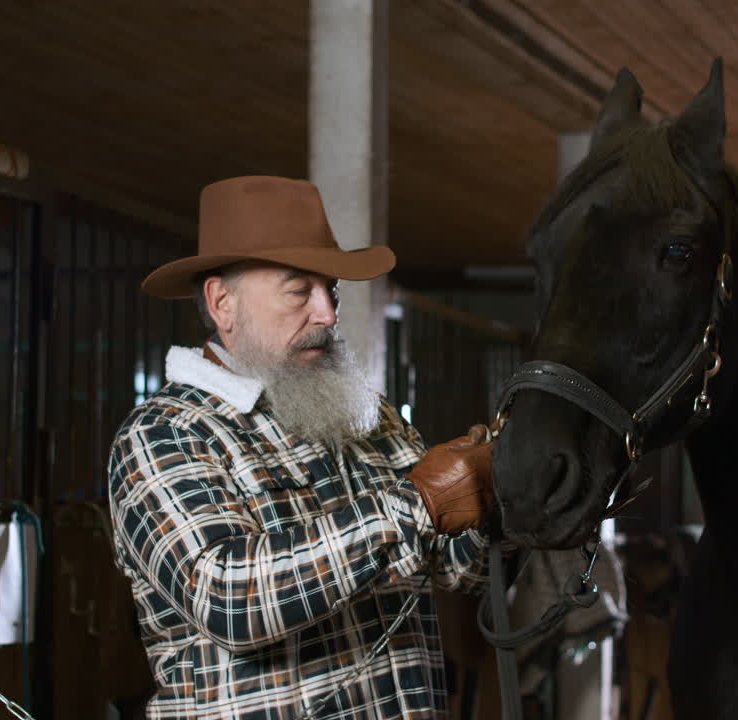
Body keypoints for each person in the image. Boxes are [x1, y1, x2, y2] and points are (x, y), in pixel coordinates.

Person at [108, 176, 496, 720]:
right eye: (299, 291)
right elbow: (229, 601)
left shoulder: (368, 416)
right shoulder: (164, 434)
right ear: (223, 302)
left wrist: (503, 490)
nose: (328, 314)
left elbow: (463, 571)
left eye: (331, 290)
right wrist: (418, 503)